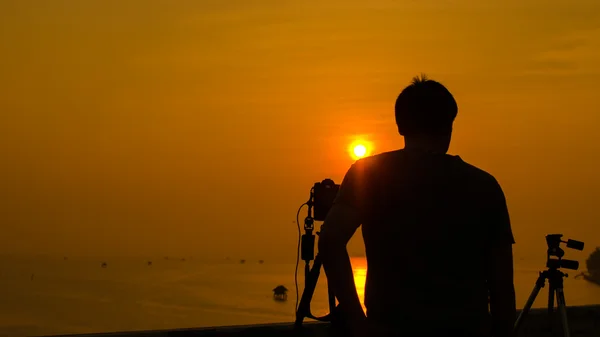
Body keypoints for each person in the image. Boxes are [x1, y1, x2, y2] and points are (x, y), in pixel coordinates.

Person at [318, 74, 516, 337]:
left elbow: (331, 240)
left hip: (390, 328)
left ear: (400, 126)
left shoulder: (369, 175)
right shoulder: (484, 185)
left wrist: (356, 321)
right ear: (449, 125)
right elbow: (502, 283)